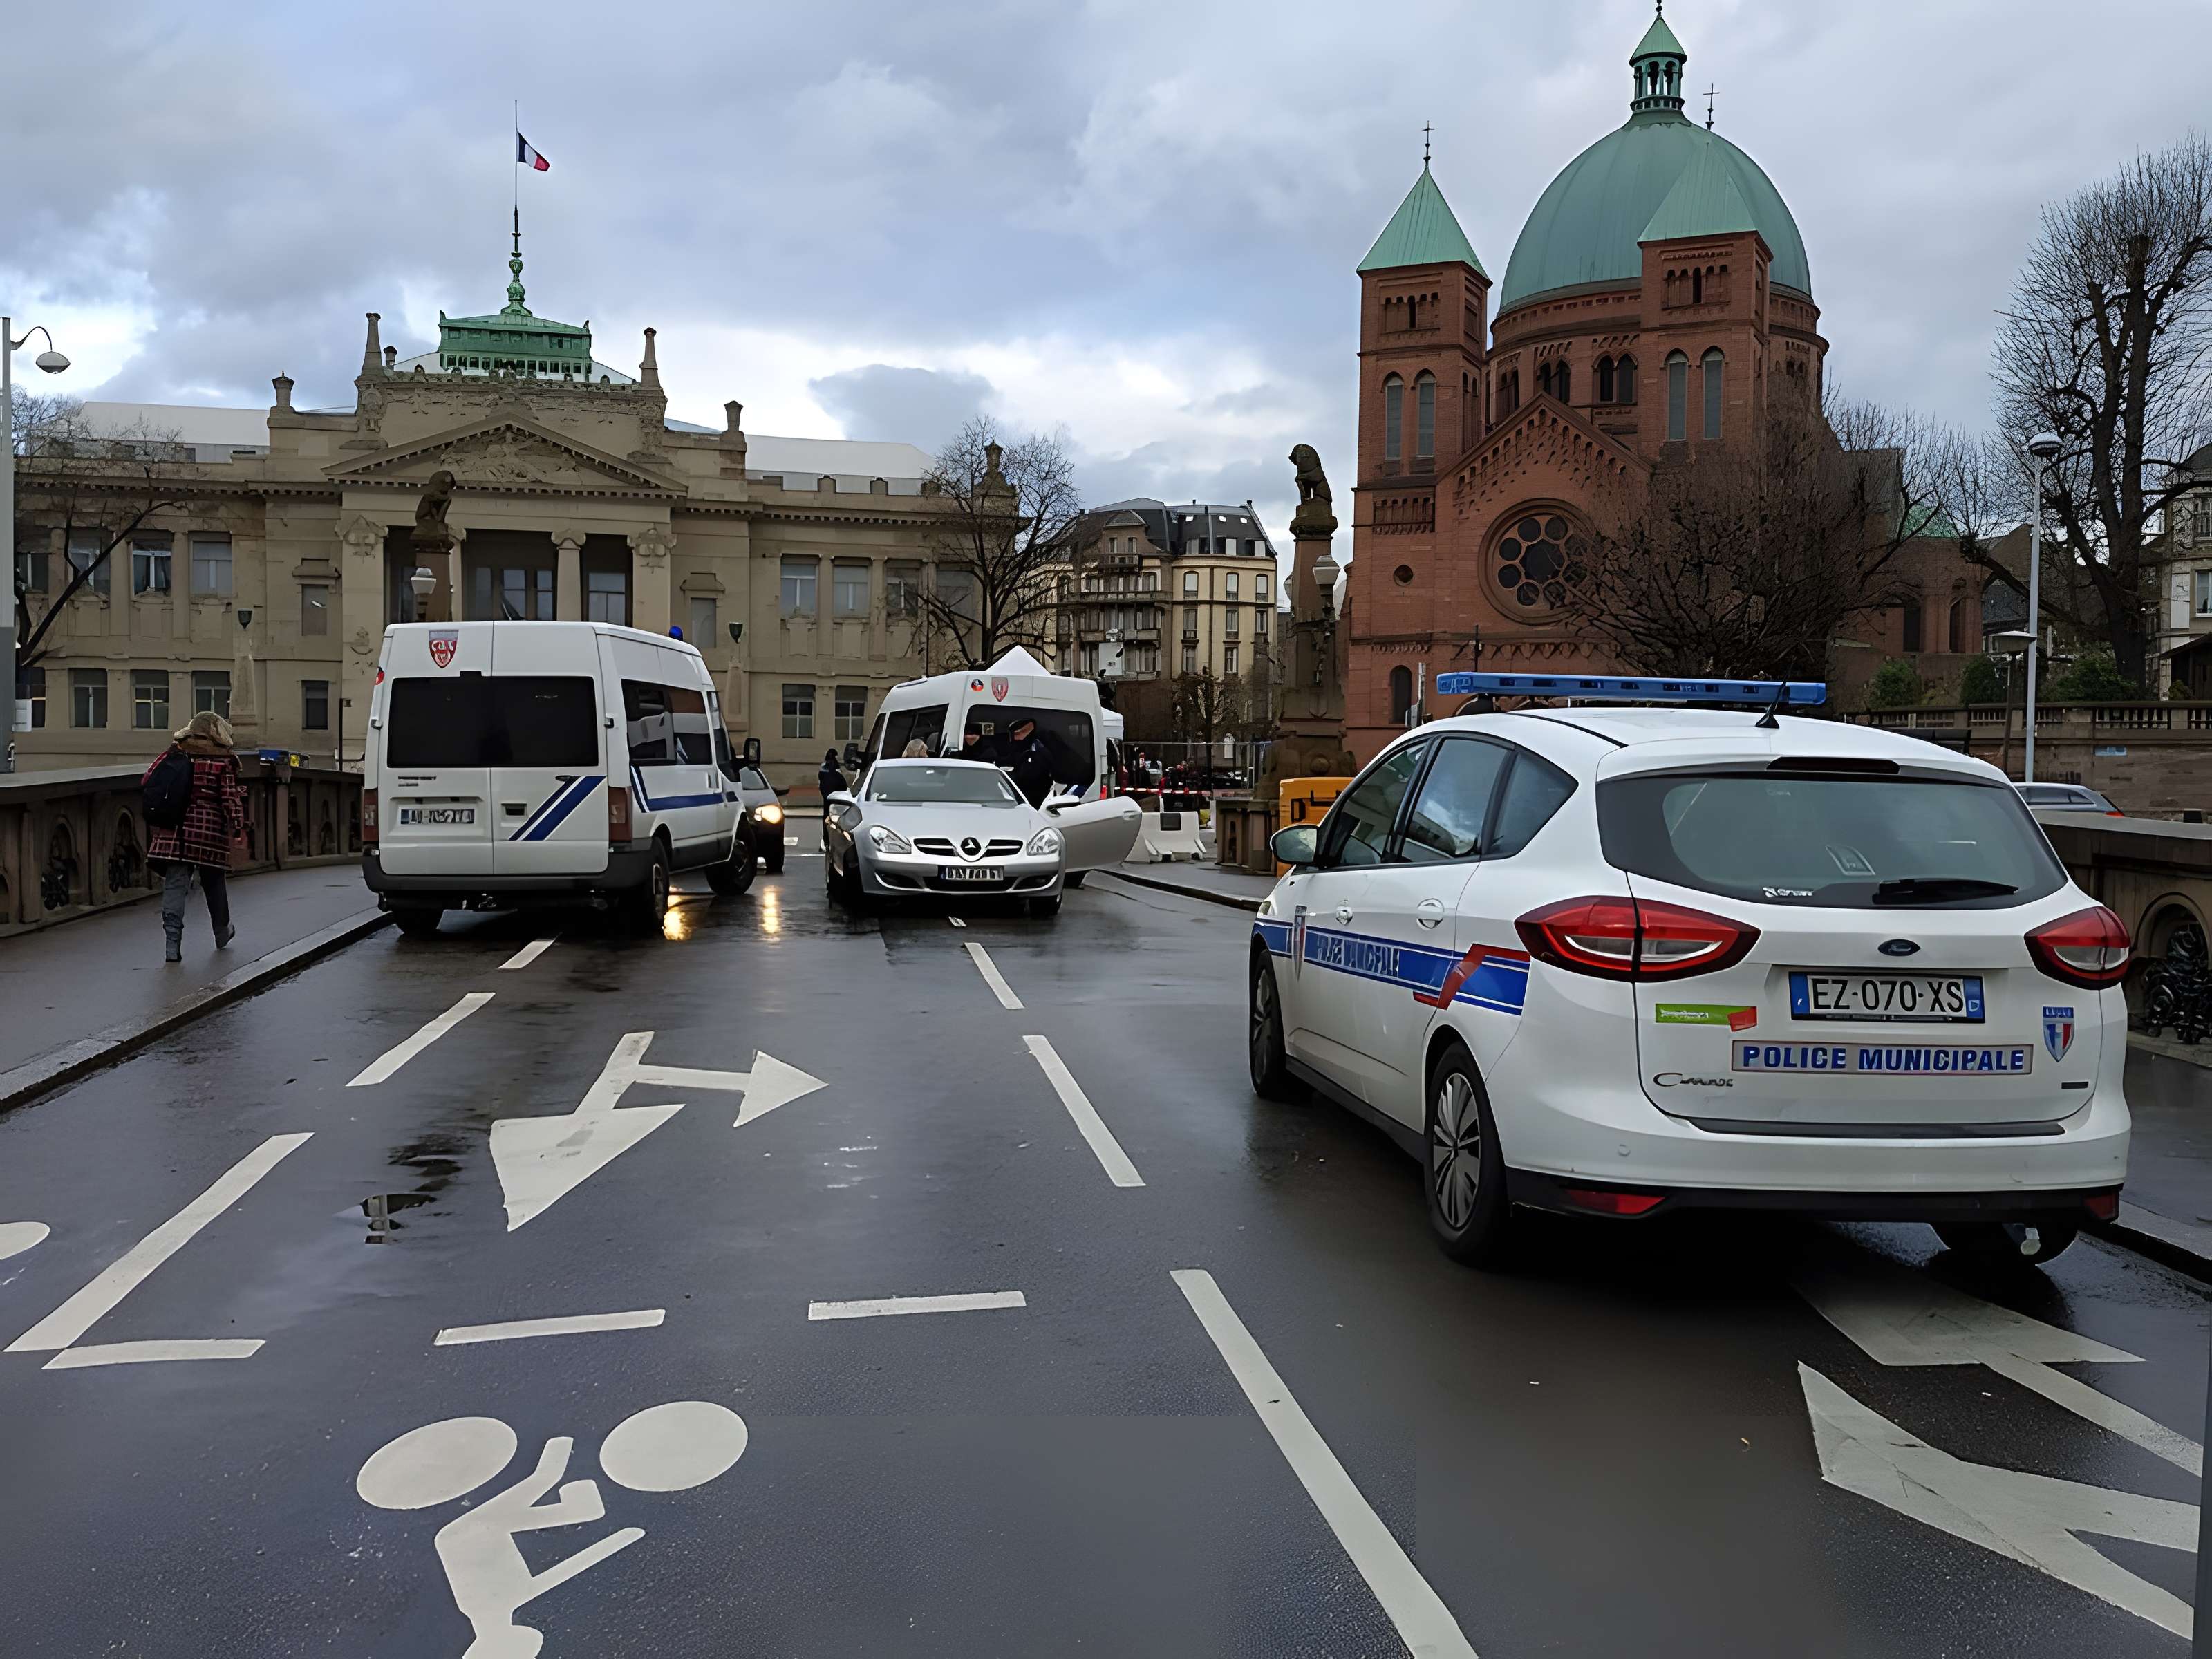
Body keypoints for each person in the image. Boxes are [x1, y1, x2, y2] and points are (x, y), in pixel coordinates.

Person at [144, 711, 249, 963]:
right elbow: (229, 800)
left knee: (175, 885)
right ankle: (222, 932)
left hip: (173, 830)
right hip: (207, 832)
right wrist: (238, 823)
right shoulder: (223, 761)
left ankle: (172, 945)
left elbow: (148, 779)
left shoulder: (176, 753)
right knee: (214, 881)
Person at [1001, 718, 1055, 808]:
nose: (1014, 738)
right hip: (1021, 797)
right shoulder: (1022, 749)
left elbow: (1030, 775)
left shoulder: (1039, 751)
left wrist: (1012, 775)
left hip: (1035, 799)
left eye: (1017, 734)